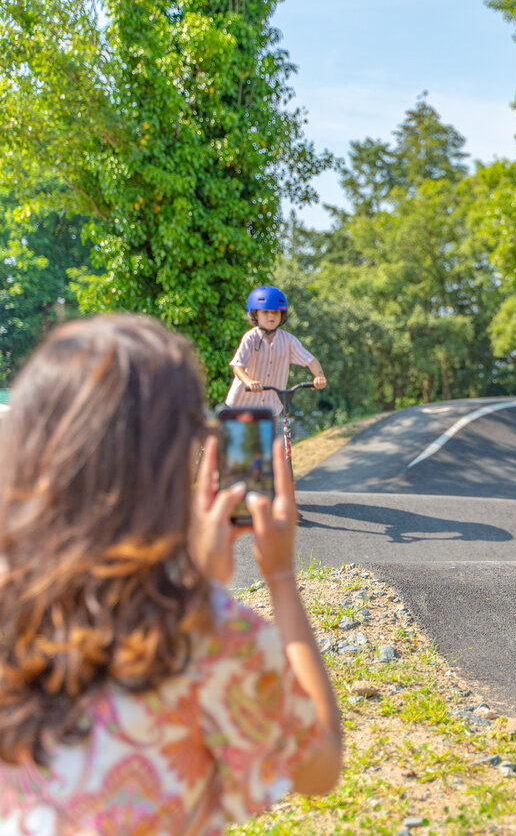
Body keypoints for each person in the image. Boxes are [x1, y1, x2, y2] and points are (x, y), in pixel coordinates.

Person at [0, 314, 342, 832]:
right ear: (183, 459)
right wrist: (280, 581)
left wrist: (199, 576)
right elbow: (320, 767)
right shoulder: (209, 632)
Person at [225, 285, 327, 415]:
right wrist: (249, 382)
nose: (271, 316)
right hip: (242, 404)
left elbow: (311, 360)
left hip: (270, 405)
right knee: (242, 435)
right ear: (255, 315)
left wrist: (319, 376)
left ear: (282, 315)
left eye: (276, 312)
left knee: (271, 435)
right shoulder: (250, 338)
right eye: (265, 312)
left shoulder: (288, 341)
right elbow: (237, 366)